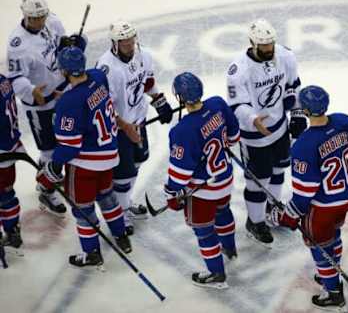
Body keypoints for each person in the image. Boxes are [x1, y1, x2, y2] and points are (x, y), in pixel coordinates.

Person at [36, 47, 131, 267]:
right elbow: (88, 98)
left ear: (63, 71)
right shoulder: (98, 77)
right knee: (107, 198)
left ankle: (92, 253)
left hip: (84, 166)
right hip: (109, 155)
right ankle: (121, 235)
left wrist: (52, 169)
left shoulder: (69, 102)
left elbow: (70, 146)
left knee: (83, 209)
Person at [270, 85, 348, 310]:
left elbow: (304, 195)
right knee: (333, 233)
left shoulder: (304, 145)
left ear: (306, 111)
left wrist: (287, 216)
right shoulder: (343, 121)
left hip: (323, 207)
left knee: (318, 244)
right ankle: (331, 273)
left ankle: (333, 291)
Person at [226, 18, 306, 246]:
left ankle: (272, 206)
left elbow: (294, 85)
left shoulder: (285, 56)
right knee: (258, 180)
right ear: (253, 43)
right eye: (263, 45)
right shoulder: (238, 70)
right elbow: (236, 105)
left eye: (271, 43)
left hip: (279, 126)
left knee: (280, 167)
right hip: (254, 134)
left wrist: (297, 112)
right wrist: (253, 119)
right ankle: (255, 221)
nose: (269, 49)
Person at [6, 0, 87, 216]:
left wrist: (73, 45)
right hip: (40, 105)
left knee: (67, 140)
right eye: (34, 18)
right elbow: (15, 78)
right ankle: (45, 188)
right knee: (50, 149)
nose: (40, 21)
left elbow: (62, 46)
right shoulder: (17, 44)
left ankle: (50, 175)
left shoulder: (53, 21)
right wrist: (31, 91)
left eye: (42, 16)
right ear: (25, 15)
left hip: (63, 91)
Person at [96, 20, 173, 235]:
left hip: (138, 119)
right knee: (123, 172)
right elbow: (104, 105)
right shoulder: (106, 68)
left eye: (131, 40)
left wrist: (160, 102)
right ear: (114, 43)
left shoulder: (144, 55)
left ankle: (125, 201)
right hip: (117, 127)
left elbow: (147, 82)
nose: (129, 45)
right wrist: (124, 126)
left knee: (139, 159)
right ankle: (119, 212)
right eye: (124, 42)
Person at [164, 72, 239, 288]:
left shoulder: (182, 130)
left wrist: (171, 194)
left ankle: (216, 275)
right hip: (225, 179)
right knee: (223, 211)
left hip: (202, 191)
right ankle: (229, 248)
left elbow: (180, 174)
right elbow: (233, 137)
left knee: (204, 231)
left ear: (180, 97)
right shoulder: (217, 104)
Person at [0, 74, 24, 257]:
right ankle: (12, 229)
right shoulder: (4, 80)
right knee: (7, 193)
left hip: (1, 151)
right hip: (11, 148)